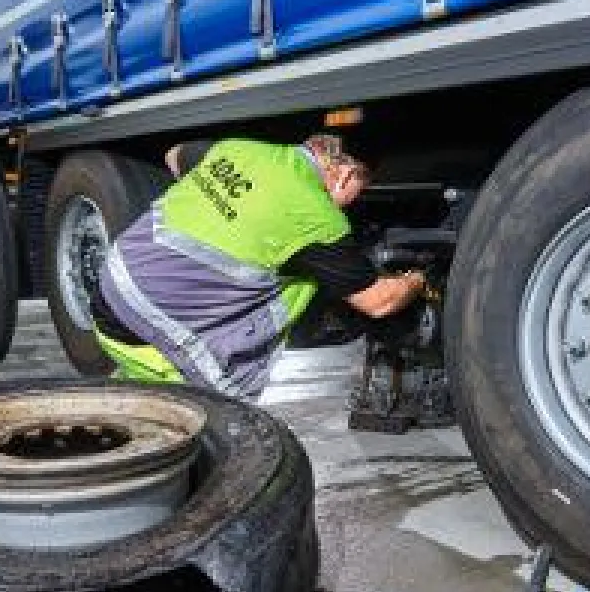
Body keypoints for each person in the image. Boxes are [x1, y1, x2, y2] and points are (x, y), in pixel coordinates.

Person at [91, 134, 427, 399]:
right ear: (346, 174)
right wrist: (417, 280)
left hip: (109, 292)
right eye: (359, 191)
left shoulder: (240, 149)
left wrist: (227, 203)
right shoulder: (317, 217)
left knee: (140, 399)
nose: (354, 203)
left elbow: (174, 154)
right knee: (224, 427)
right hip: (155, 328)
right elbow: (378, 301)